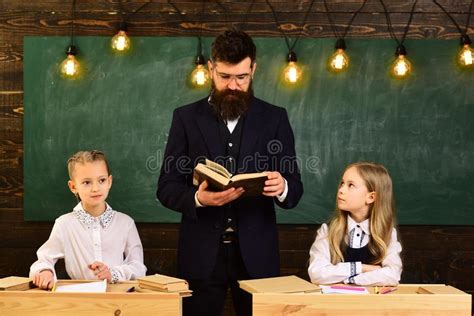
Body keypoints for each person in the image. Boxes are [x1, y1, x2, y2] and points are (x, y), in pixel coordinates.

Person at [157, 29, 303, 315]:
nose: (233, 86)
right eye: (224, 77)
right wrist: (198, 199)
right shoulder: (185, 118)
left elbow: (295, 191)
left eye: (241, 77)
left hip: (257, 258)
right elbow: (166, 188)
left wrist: (281, 185)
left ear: (253, 70)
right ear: (211, 69)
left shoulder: (275, 118)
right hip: (200, 257)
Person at [30, 150, 146, 289]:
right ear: (73, 187)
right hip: (78, 299)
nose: (96, 188)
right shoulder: (64, 224)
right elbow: (44, 259)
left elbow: (139, 267)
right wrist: (45, 272)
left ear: (109, 181)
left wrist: (112, 274)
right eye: (86, 182)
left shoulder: (125, 223)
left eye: (101, 180)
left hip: (118, 297)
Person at [308, 162, 402, 286]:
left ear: (371, 197)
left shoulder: (388, 233)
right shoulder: (328, 231)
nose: (341, 190)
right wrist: (362, 268)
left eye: (350, 185)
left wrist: (350, 280)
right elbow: (317, 274)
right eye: (342, 183)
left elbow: (392, 275)